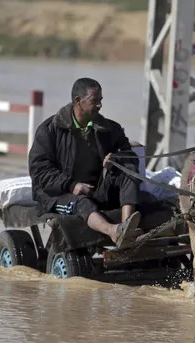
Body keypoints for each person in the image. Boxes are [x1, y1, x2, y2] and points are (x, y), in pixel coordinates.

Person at [28, 77, 142, 249]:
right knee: (82, 203)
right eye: (94, 101)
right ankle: (113, 231)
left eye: (101, 100)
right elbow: (40, 171)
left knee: (129, 170)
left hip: (97, 188)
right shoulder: (49, 130)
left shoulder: (110, 129)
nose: (100, 105)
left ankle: (126, 228)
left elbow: (130, 156)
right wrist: (71, 185)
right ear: (78, 101)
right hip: (57, 194)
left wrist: (116, 159)